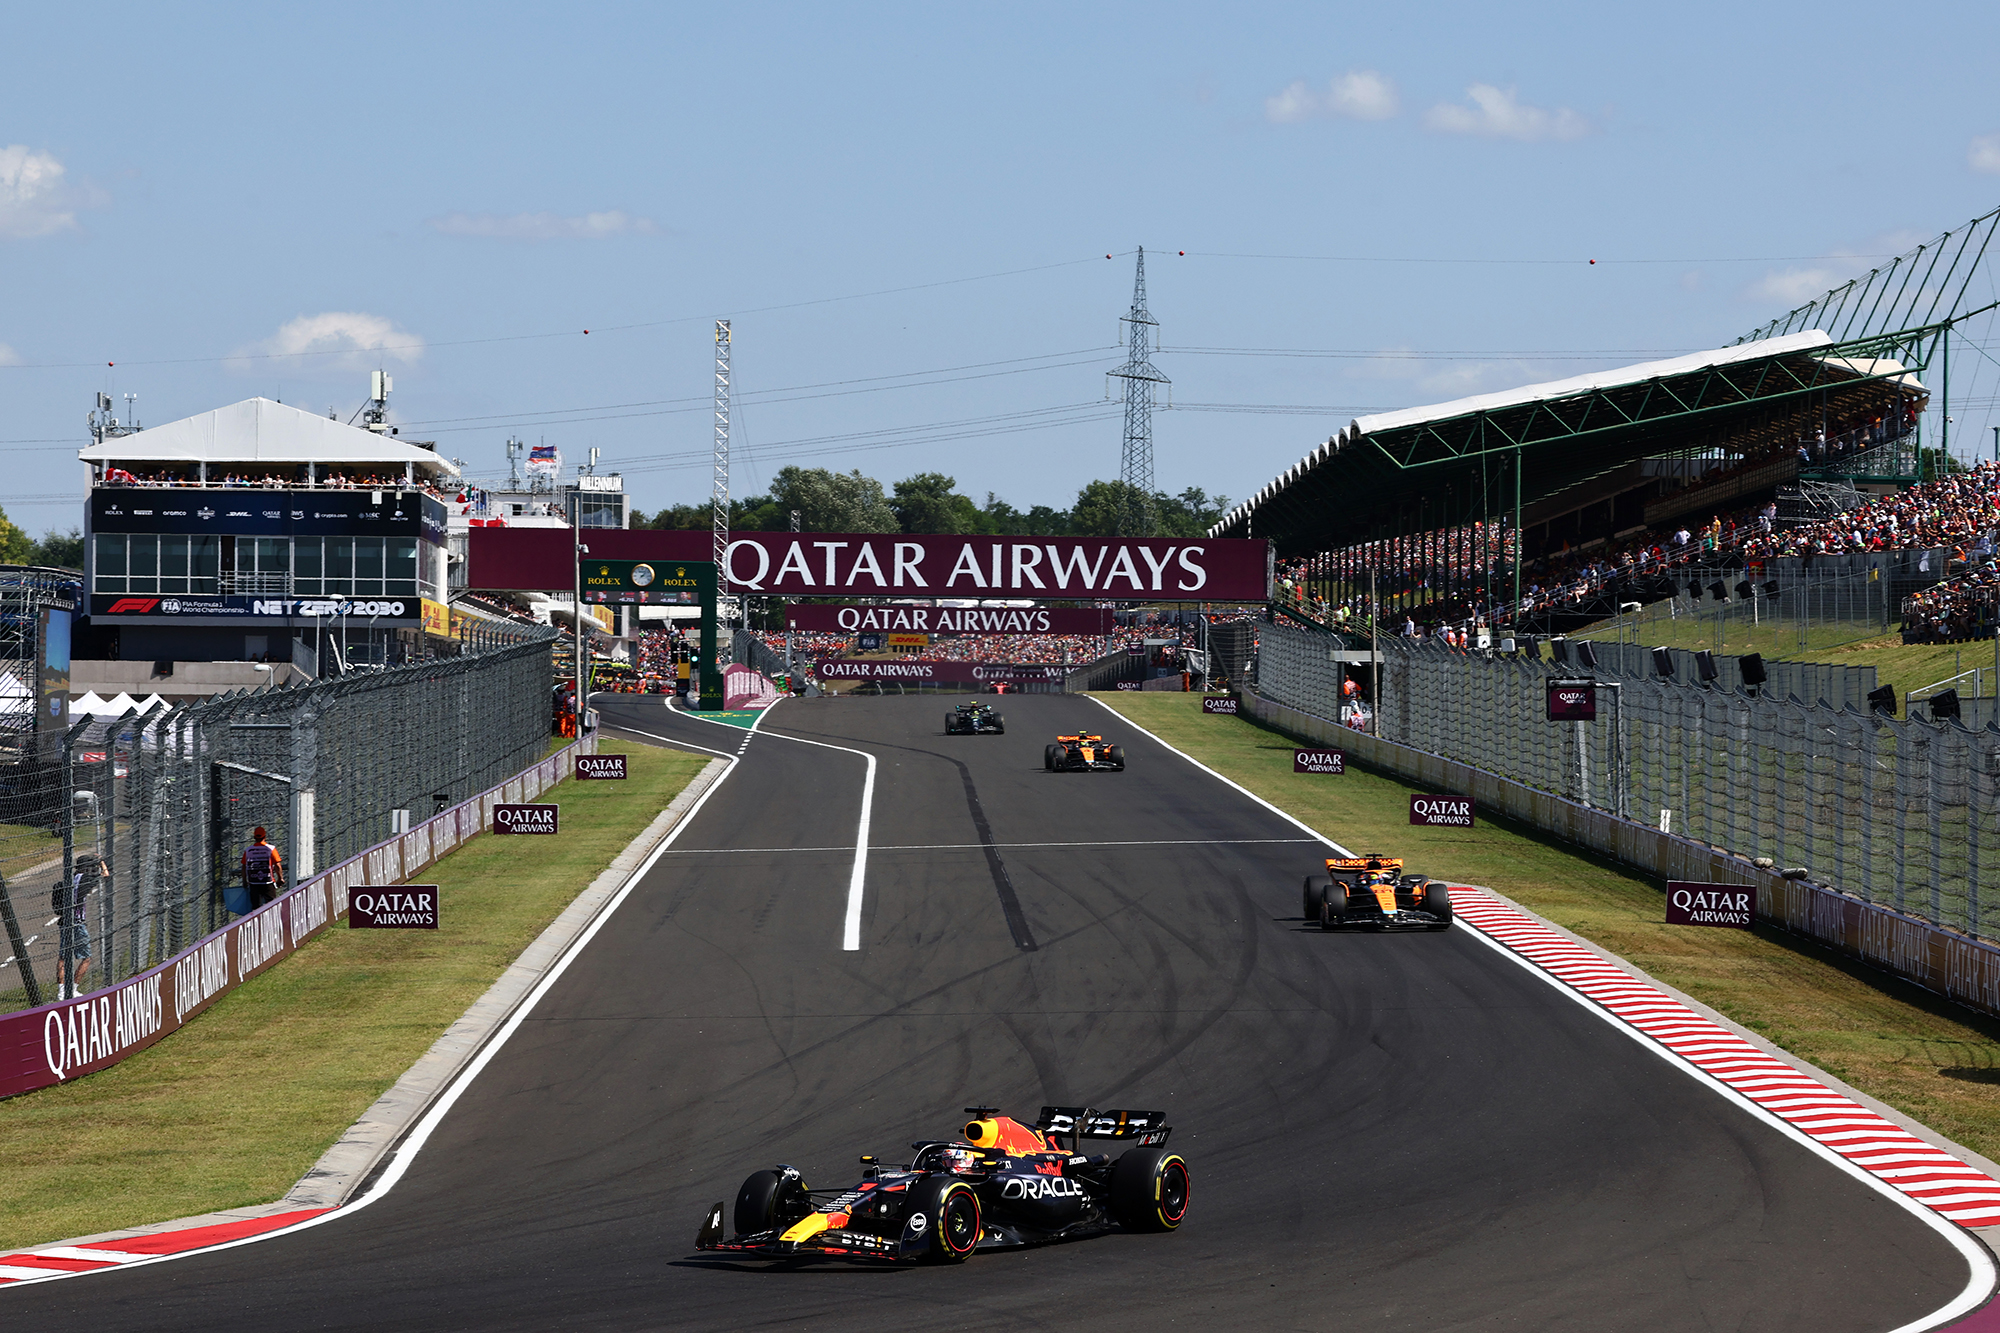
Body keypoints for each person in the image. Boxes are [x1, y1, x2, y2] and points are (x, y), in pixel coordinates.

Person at [54, 852, 107, 1000]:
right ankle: (74, 988)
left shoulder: (68, 880)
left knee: (63, 957)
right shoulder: (86, 879)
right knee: (86, 957)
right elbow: (106, 874)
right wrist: (101, 862)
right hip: (77, 922)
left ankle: (62, 991)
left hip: (65, 922)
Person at [242, 827, 284, 908]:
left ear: (254, 837)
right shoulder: (270, 849)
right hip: (267, 882)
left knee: (256, 907)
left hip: (254, 883)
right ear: (265, 837)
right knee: (271, 906)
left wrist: (244, 880)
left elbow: (244, 866)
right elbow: (277, 865)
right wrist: (280, 878)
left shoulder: (248, 850)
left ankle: (258, 920)